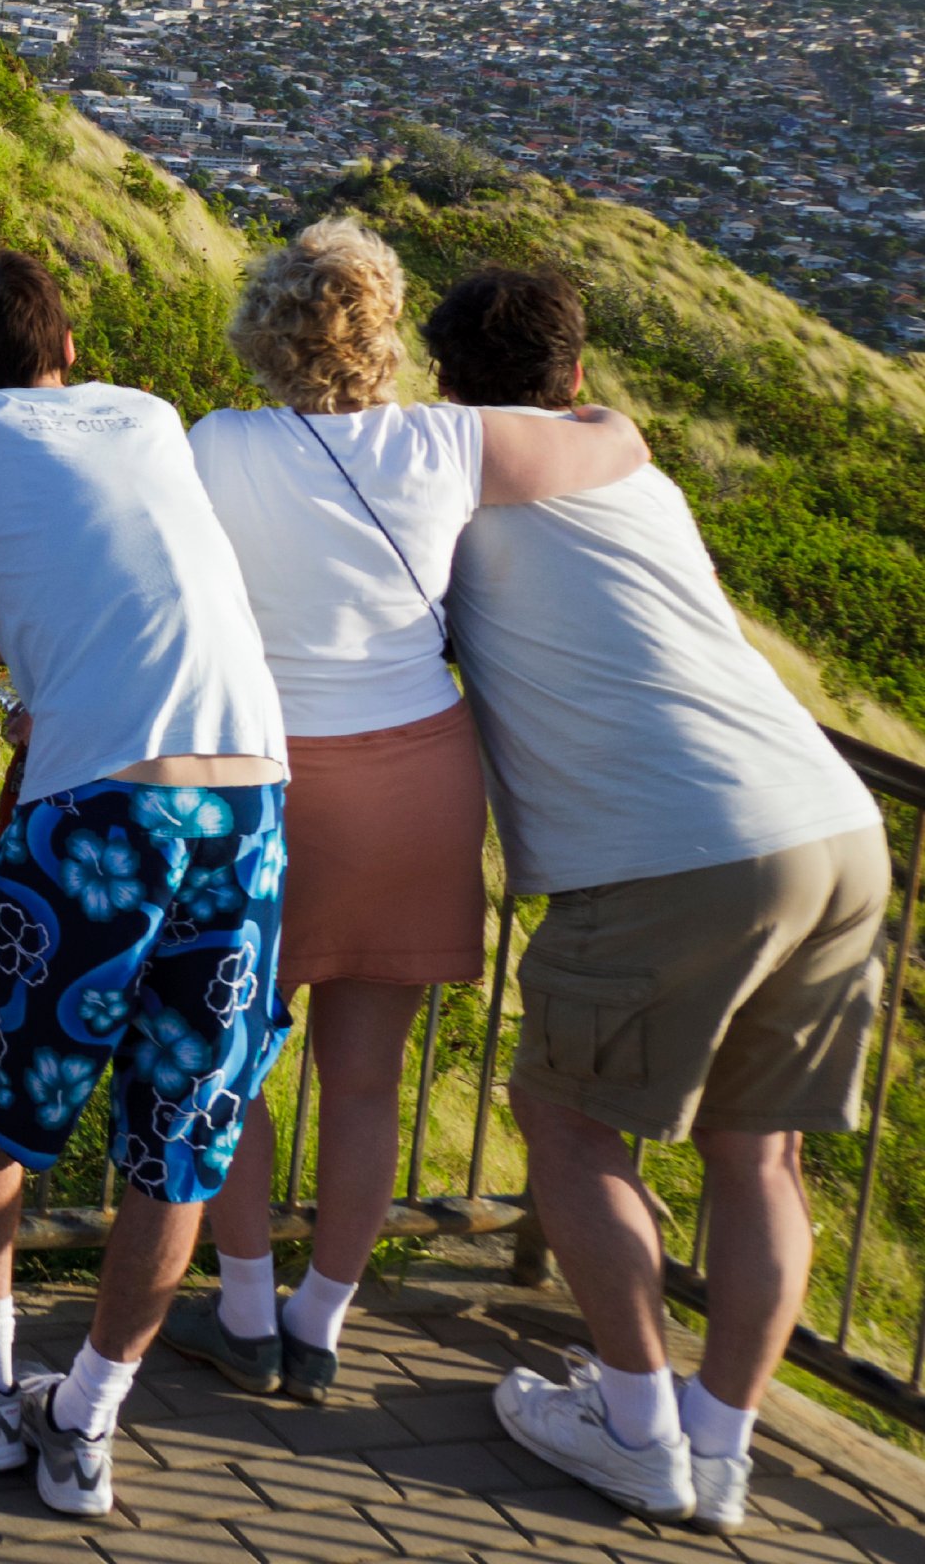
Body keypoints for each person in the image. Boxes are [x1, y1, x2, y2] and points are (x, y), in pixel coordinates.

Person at [425, 267, 888, 1530]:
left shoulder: (450, 493)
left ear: (447, 388)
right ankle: (716, 1445)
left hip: (669, 846)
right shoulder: (632, 464)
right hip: (834, 822)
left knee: (566, 1123)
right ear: (574, 376)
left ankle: (635, 1425)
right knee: (761, 1155)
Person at [0, 248, 290, 1523]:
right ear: (72, 345)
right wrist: (48, 637)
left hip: (102, 801)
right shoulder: (148, 414)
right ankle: (84, 1426)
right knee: (178, 1129)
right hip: (249, 795)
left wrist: (10, 638)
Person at [165, 221, 649, 1405]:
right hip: (421, 780)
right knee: (368, 1078)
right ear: (383, 333)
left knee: (230, 1055)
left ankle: (241, 1305)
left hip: (271, 781)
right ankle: (322, 1319)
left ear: (266, 330)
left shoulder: (217, 444)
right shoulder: (445, 441)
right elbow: (614, 445)